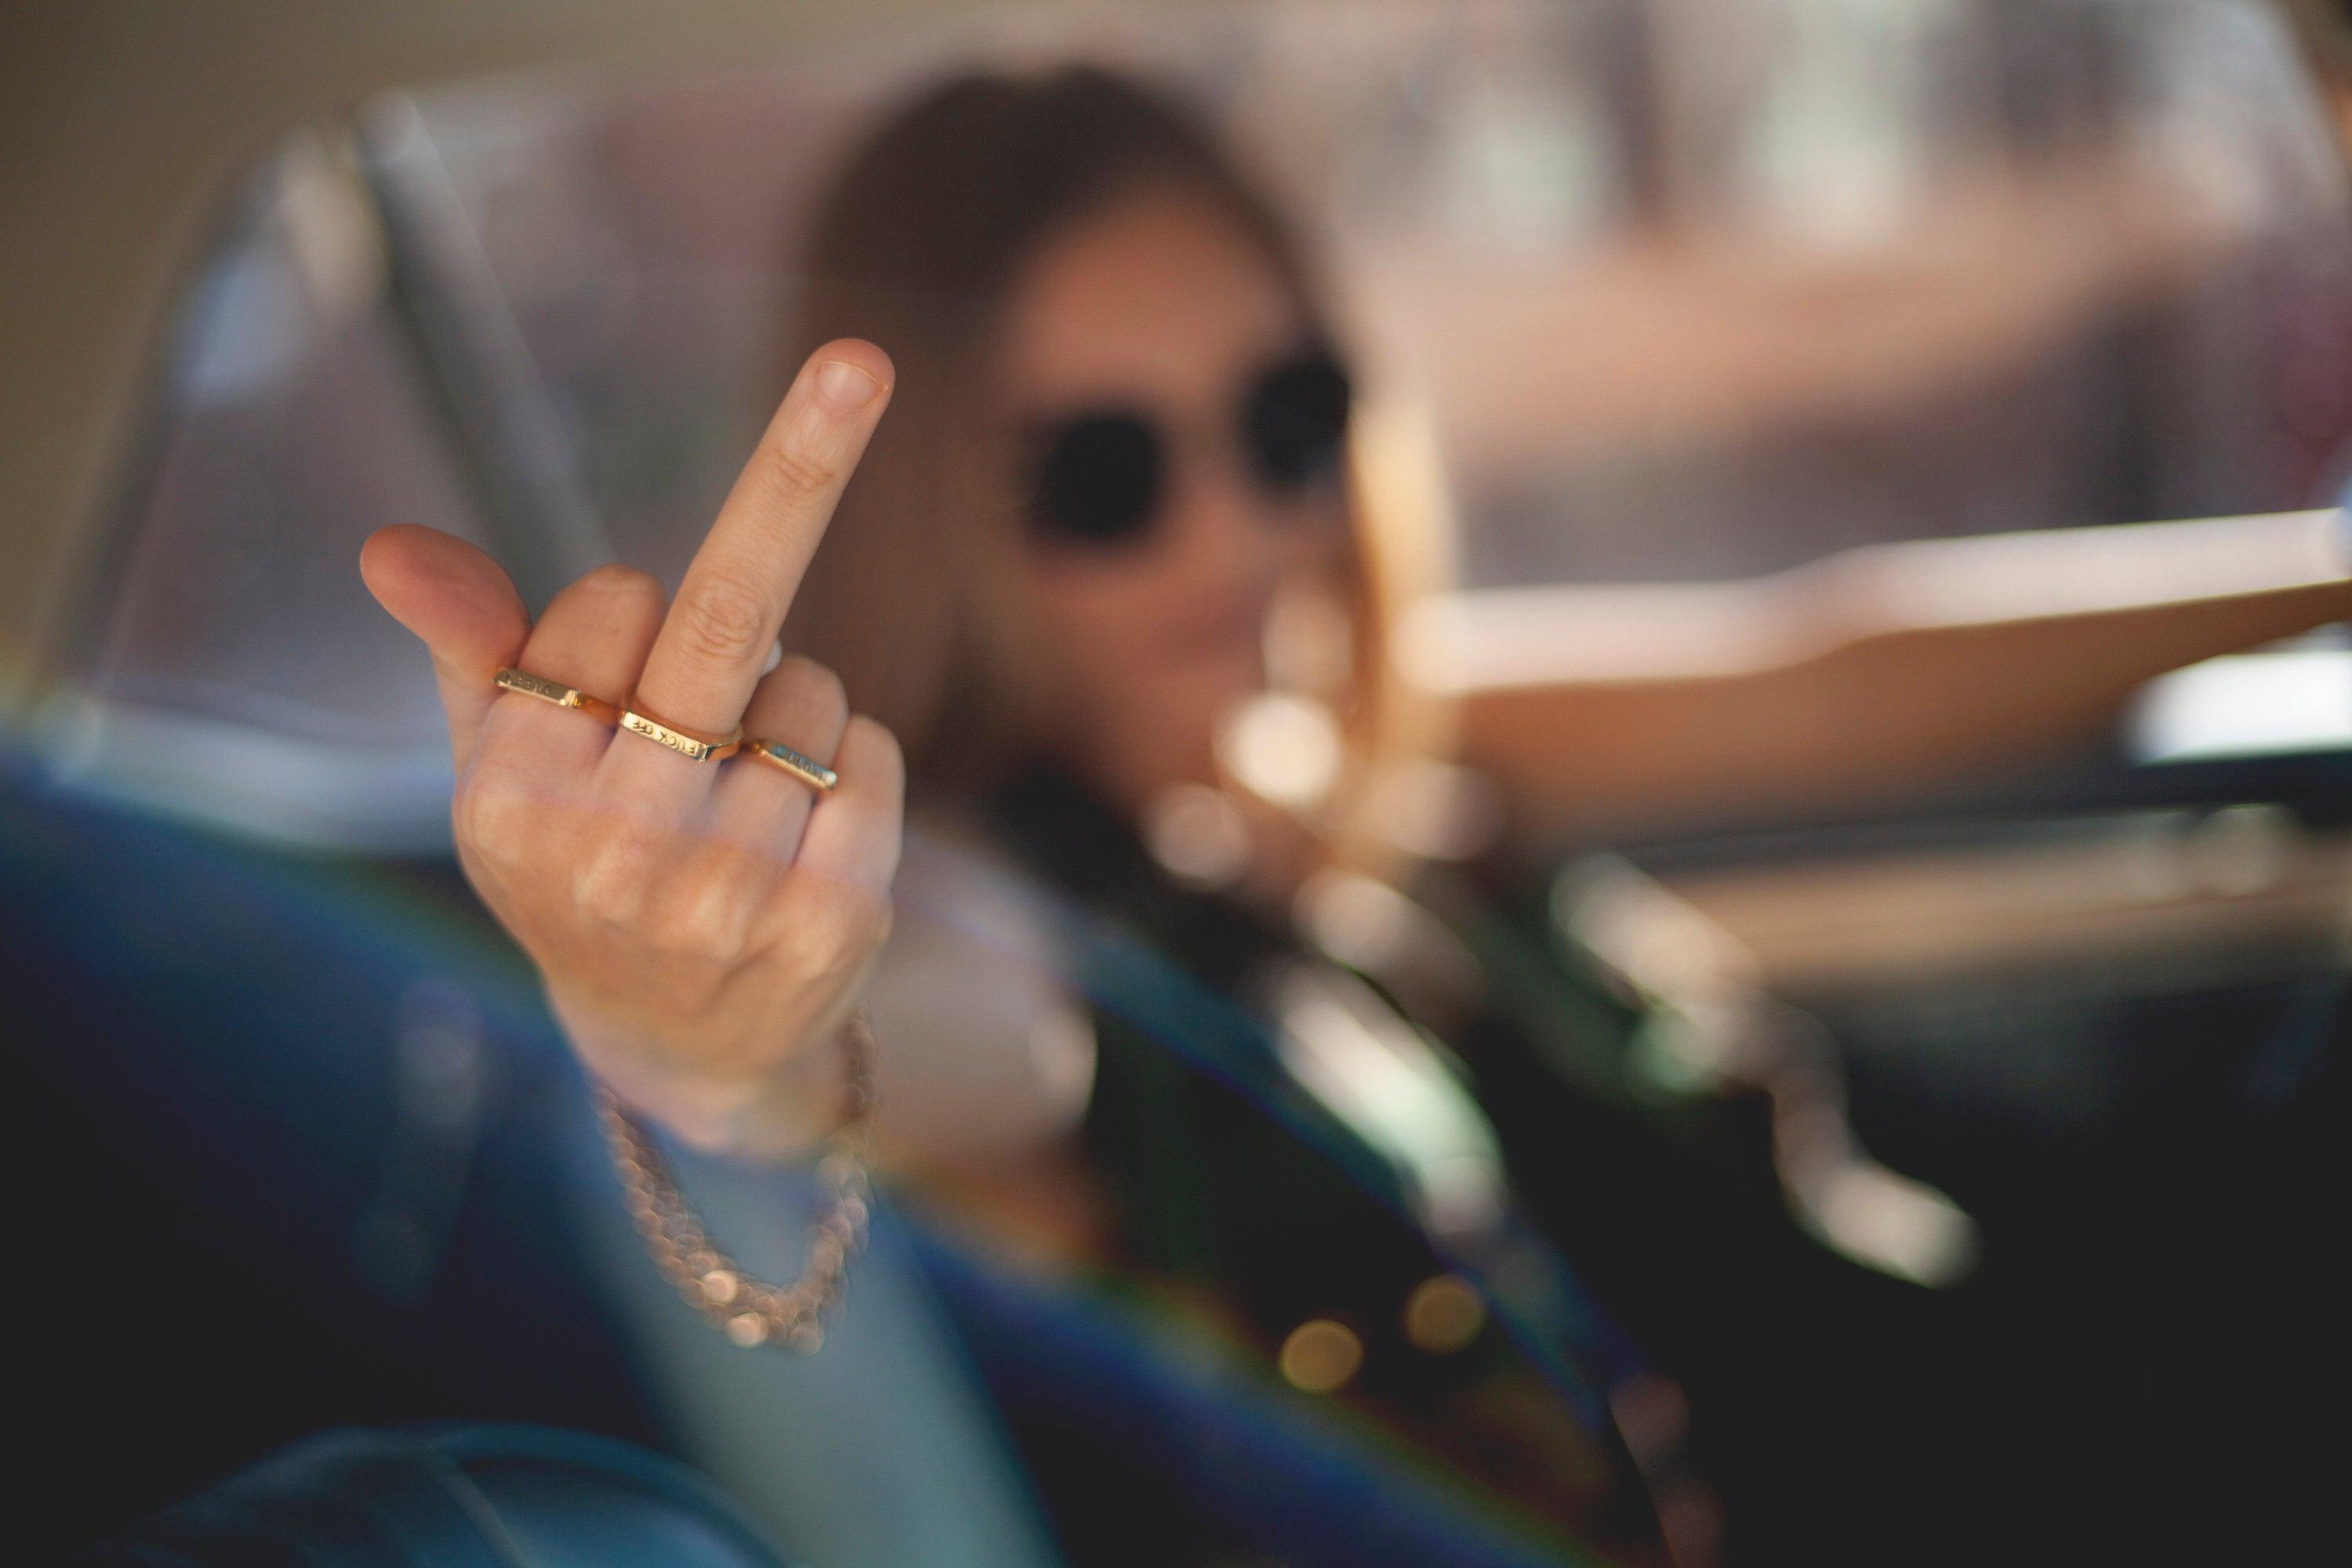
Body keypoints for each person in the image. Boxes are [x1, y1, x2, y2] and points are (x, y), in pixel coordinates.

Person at [361, 65, 2352, 1565]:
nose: (1239, 529)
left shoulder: (1339, 760)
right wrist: (719, 1039)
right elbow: (941, 1033)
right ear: (941, 516)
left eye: (1287, 419)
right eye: (1106, 473)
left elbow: (1825, 666)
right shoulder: (994, 893)